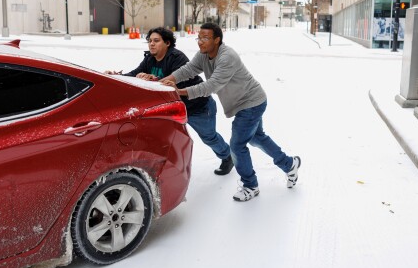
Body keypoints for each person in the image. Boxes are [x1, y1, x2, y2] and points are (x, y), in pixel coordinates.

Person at [160, 22, 300, 202]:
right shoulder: (204, 54)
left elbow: (211, 85)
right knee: (257, 138)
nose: (200, 42)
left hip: (251, 103)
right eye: (199, 37)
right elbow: (189, 69)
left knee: (237, 145)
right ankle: (290, 164)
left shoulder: (227, 57)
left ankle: (250, 185)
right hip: (247, 102)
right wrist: (166, 81)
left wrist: (179, 92)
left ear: (217, 40)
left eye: (205, 38)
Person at [105, 27, 234, 175]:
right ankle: (164, 169)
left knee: (209, 137)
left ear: (167, 43)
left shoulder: (177, 58)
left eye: (156, 41)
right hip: (172, 110)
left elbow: (179, 85)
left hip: (197, 107)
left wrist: (155, 79)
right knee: (163, 139)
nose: (151, 44)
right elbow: (135, 74)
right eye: (150, 41)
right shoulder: (149, 59)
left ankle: (227, 156)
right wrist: (116, 76)